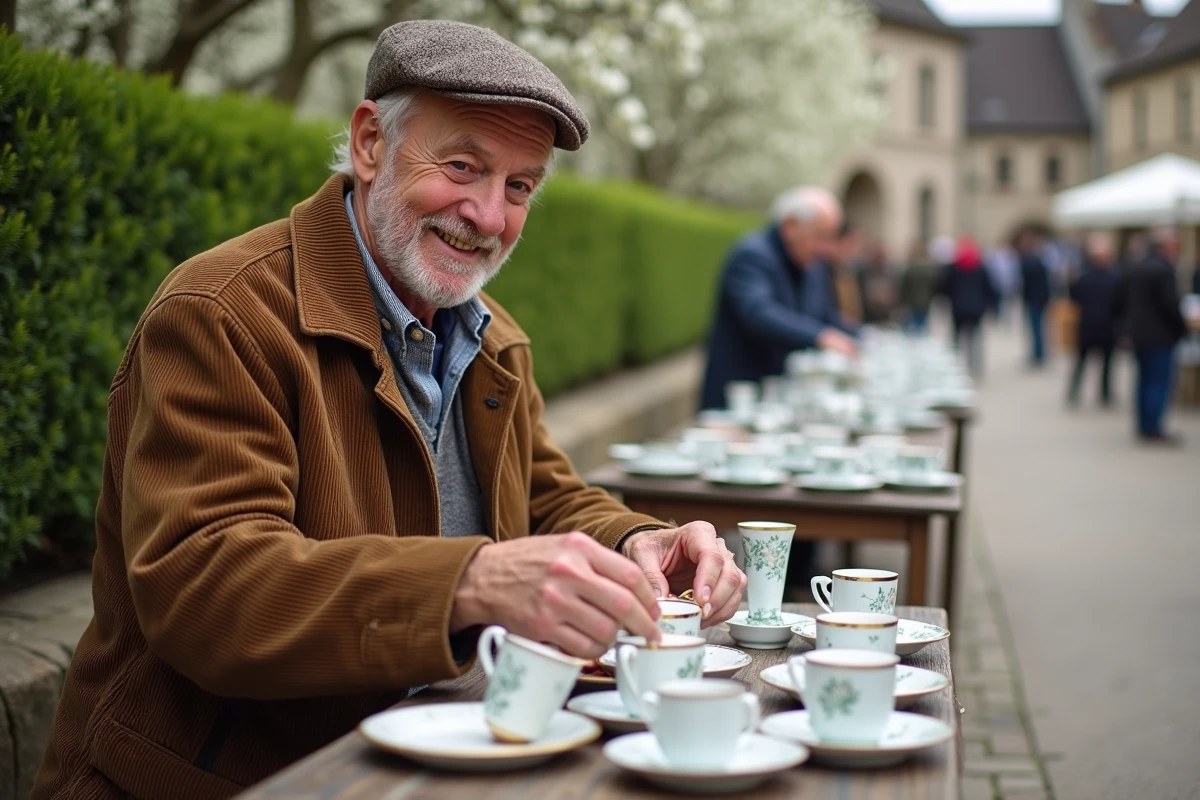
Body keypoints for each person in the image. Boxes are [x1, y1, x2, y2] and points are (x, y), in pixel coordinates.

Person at [34, 21, 746, 799]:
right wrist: (471, 581)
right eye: (463, 166)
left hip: (430, 762)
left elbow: (545, 498)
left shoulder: (493, 335)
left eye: (518, 187)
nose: (486, 215)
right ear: (371, 142)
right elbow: (208, 586)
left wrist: (643, 541)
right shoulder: (221, 312)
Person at [699, 186, 859, 410]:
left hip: (780, 398)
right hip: (739, 398)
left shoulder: (812, 264)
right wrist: (820, 336)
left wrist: (859, 336)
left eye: (831, 238)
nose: (827, 248)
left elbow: (824, 316)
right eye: (821, 236)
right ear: (790, 226)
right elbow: (759, 311)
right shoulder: (752, 255)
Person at [1113, 226, 1188, 444]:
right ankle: (1153, 427)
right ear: (1167, 246)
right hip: (1160, 335)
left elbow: (1120, 300)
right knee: (1158, 382)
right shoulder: (1163, 269)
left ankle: (1144, 424)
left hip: (1138, 333)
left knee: (1144, 380)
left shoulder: (1137, 266)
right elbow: (1170, 305)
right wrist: (1180, 328)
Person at [1067, 234, 1119, 407]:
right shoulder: (1115, 278)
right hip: (1106, 326)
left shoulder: (1084, 278)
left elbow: (1073, 298)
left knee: (1082, 362)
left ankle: (1074, 393)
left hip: (1088, 325)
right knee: (1105, 364)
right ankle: (1104, 395)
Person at [939, 236, 997, 378]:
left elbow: (945, 287)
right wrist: (991, 306)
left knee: (957, 340)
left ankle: (956, 367)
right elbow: (989, 288)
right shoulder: (980, 267)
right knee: (976, 340)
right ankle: (975, 368)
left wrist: (947, 299)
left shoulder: (954, 267)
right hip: (976, 308)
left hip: (958, 308)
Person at [1018, 230, 1051, 367]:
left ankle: (1037, 355)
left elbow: (1025, 284)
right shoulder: (1040, 262)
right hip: (1041, 298)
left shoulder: (1028, 263)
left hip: (1033, 299)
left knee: (1035, 328)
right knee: (1039, 328)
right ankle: (1040, 353)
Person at [900, 240, 939, 334]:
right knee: (922, 325)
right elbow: (934, 286)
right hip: (925, 302)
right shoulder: (929, 270)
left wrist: (903, 300)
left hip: (912, 302)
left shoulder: (911, 269)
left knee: (913, 326)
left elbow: (904, 287)